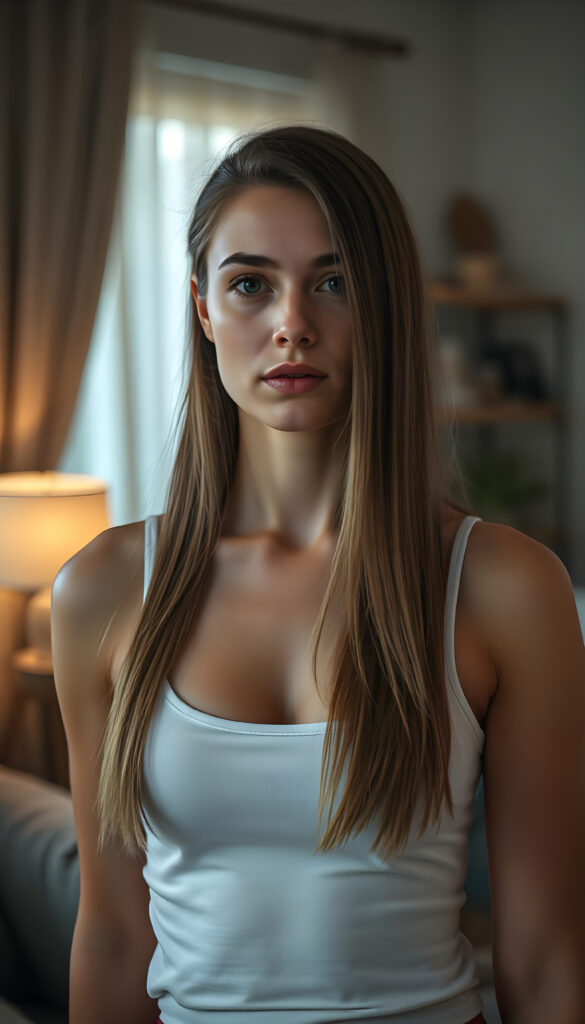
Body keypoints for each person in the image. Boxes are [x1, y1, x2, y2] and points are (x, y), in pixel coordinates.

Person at [50, 125, 585, 1024]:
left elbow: (547, 955)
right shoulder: (102, 592)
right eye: (250, 283)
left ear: (387, 307)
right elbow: (110, 937)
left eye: (333, 283)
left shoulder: (503, 587)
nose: (292, 321)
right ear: (203, 308)